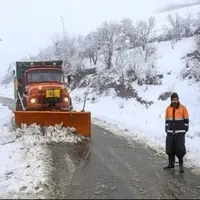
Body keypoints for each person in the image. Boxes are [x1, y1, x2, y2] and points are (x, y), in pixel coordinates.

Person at [164, 92, 189, 173]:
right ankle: (171, 164)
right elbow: (167, 120)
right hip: (170, 132)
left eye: (176, 99)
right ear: (171, 100)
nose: (175, 101)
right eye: (174, 99)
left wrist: (185, 129)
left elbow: (186, 120)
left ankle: (181, 165)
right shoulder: (168, 109)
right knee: (170, 148)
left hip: (180, 133)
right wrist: (166, 129)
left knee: (180, 149)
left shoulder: (183, 108)